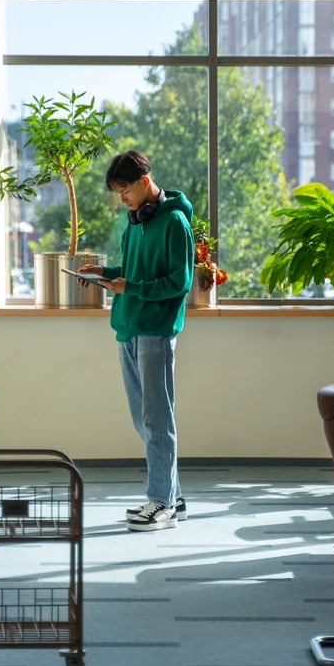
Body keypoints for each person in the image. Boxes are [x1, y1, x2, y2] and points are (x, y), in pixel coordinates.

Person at [79, 151, 194, 532]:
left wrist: (133, 287)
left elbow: (181, 282)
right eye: (117, 192)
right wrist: (104, 273)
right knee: (142, 419)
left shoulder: (175, 222)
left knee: (157, 420)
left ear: (145, 181)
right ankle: (173, 497)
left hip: (156, 330)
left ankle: (160, 502)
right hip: (128, 327)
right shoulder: (134, 224)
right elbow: (129, 273)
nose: (122, 198)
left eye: (125, 189)